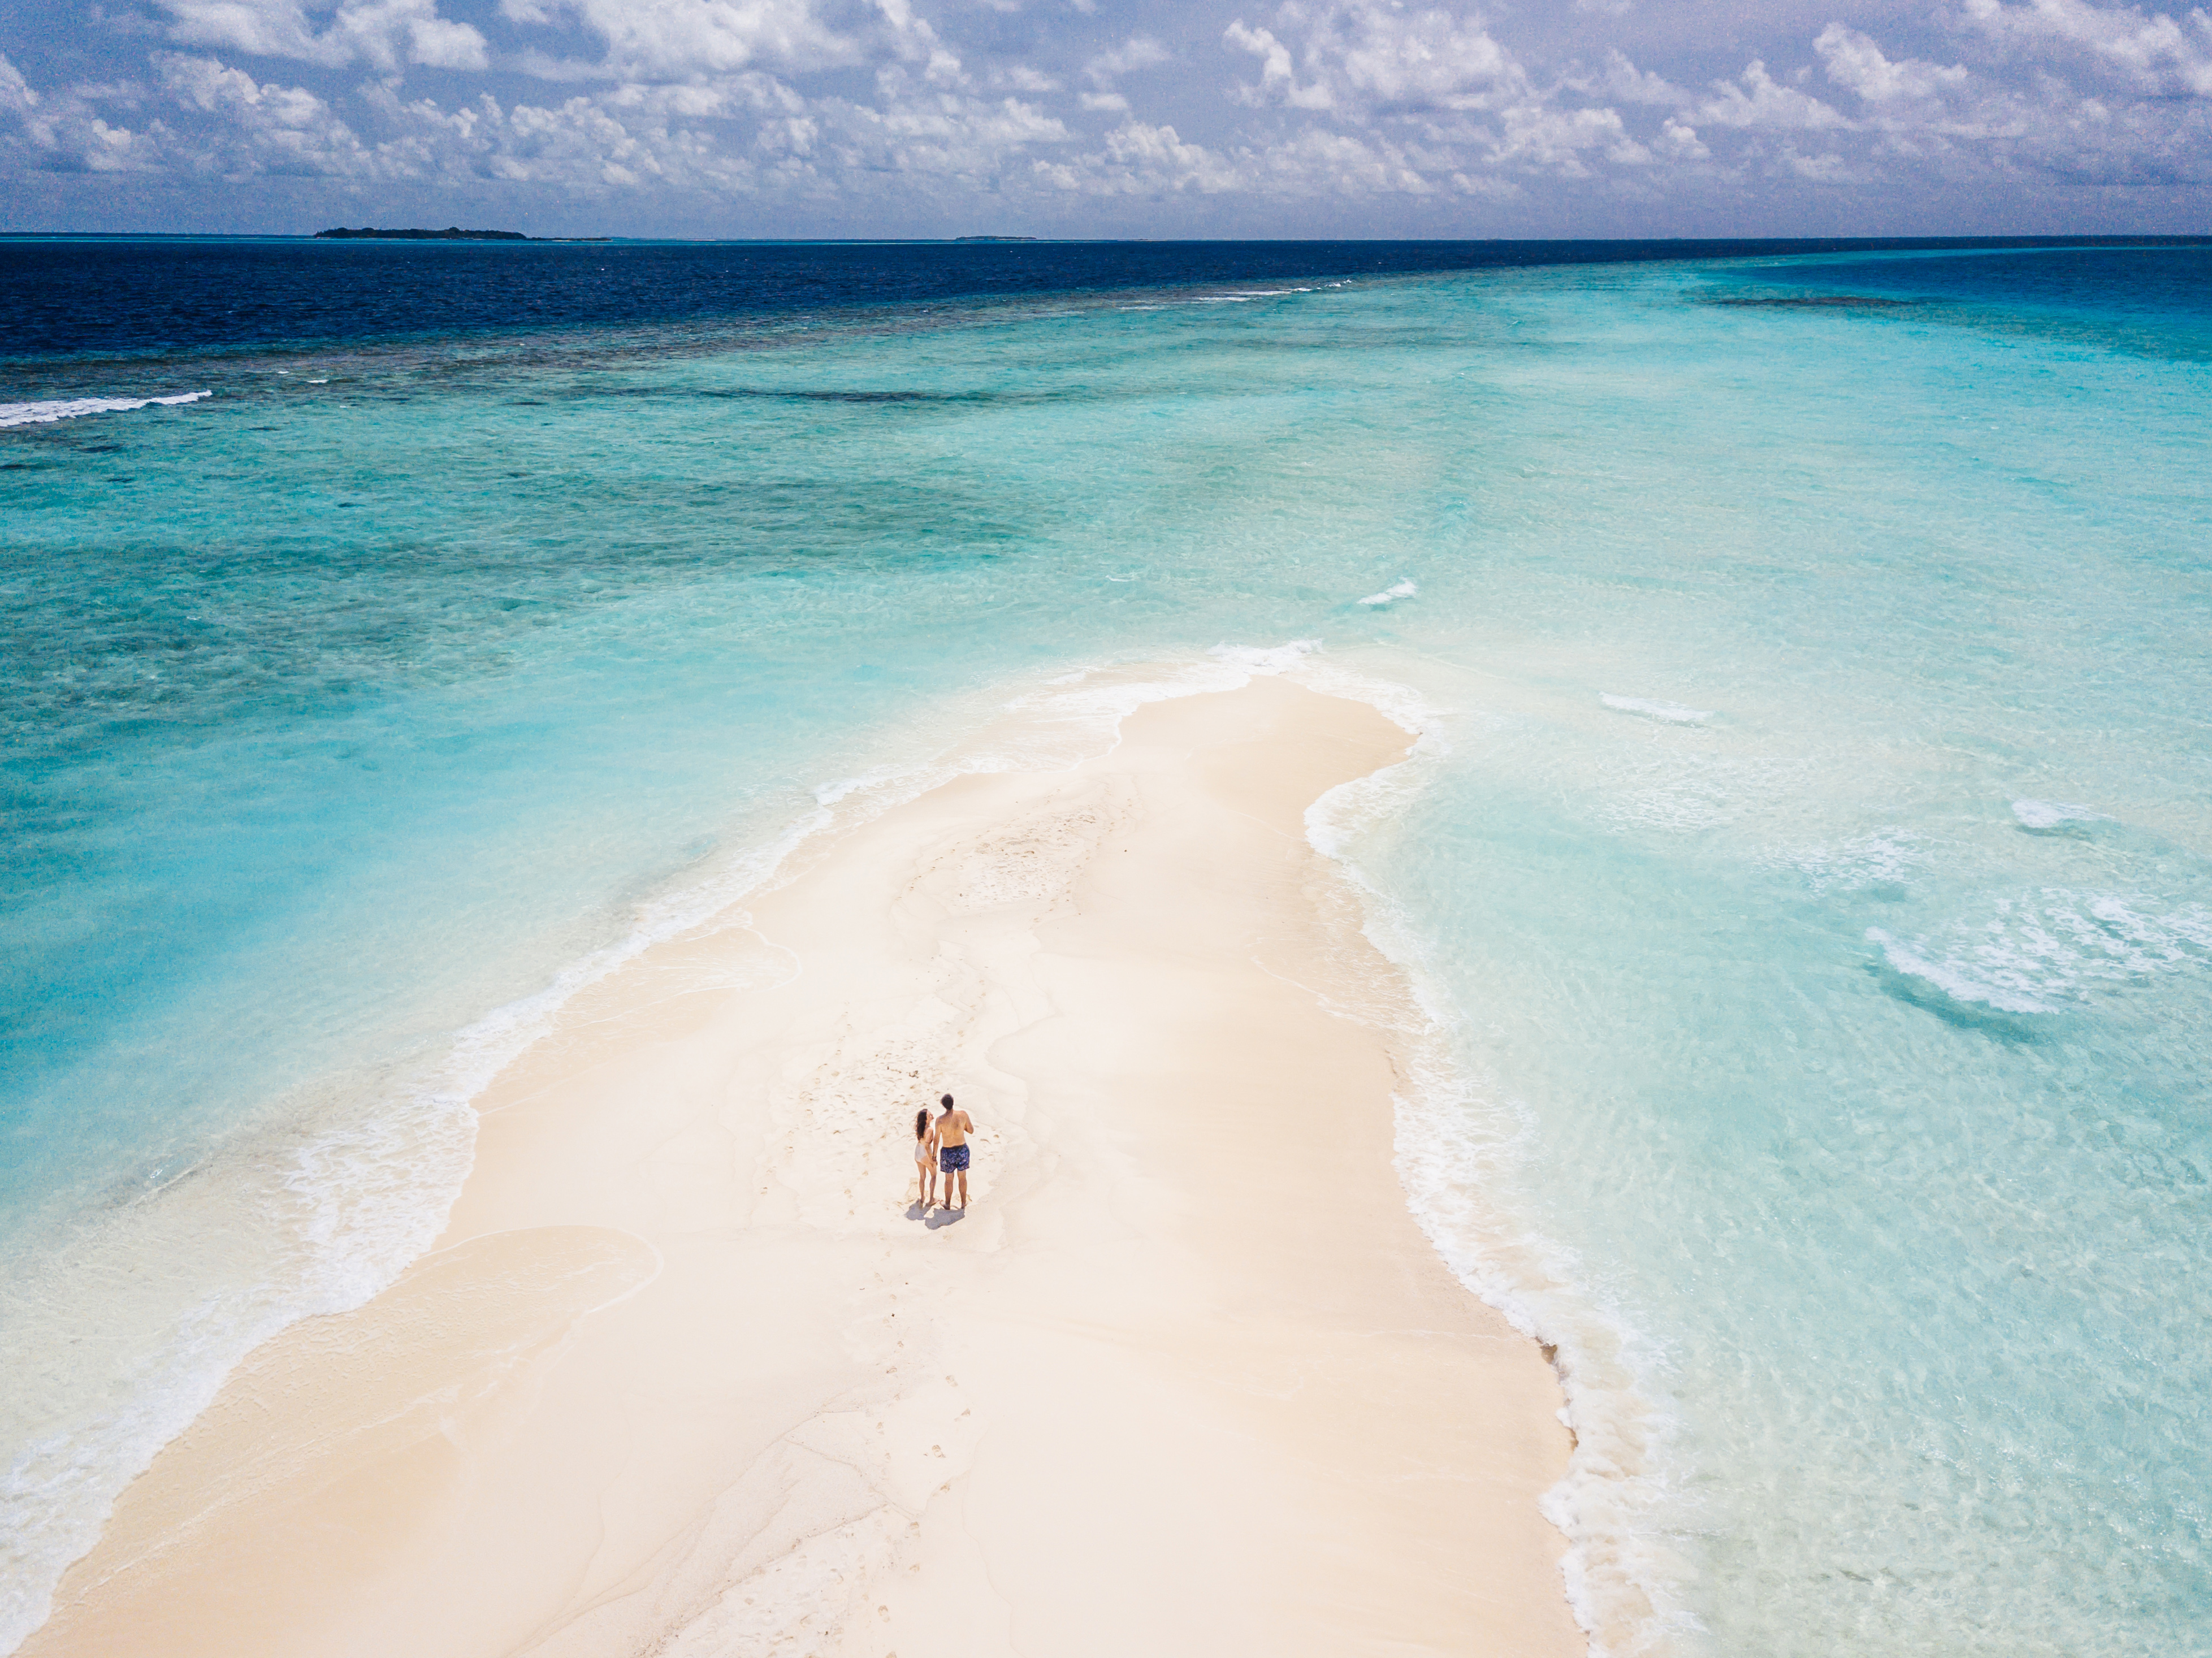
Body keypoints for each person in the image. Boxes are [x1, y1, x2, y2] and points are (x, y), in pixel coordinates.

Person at [935, 1093, 974, 1211]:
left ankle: (948, 1203)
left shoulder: (940, 1121)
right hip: (962, 1149)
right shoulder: (963, 1115)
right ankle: (963, 1203)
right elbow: (971, 1130)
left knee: (949, 1179)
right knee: (963, 1177)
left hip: (948, 1151)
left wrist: (934, 1155)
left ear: (943, 1105)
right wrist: (961, 1128)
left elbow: (936, 1139)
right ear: (953, 1101)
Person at [912, 1106, 938, 1208]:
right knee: (934, 1175)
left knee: (922, 1177)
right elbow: (927, 1147)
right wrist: (931, 1160)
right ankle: (931, 1199)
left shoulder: (919, 1127)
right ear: (926, 1119)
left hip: (917, 1152)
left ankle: (922, 1197)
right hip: (924, 1154)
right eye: (929, 1115)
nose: (931, 1115)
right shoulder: (930, 1129)